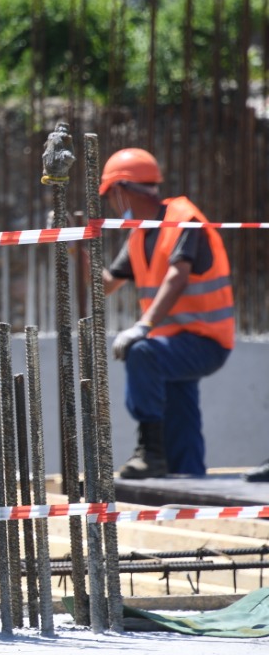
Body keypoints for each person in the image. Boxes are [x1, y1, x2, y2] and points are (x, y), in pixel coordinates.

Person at [100, 148, 234, 479]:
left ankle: (151, 454)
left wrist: (143, 326)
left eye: (110, 196)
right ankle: (189, 482)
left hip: (206, 341)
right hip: (174, 345)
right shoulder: (139, 235)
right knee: (179, 409)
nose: (112, 205)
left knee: (142, 354)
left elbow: (178, 275)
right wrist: (73, 247)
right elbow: (104, 286)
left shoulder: (182, 217)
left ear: (121, 189)